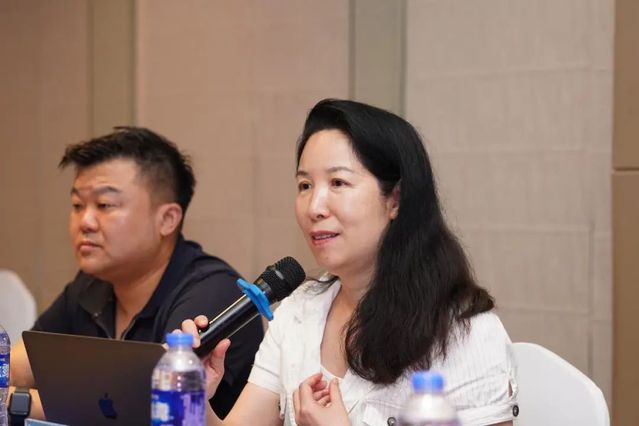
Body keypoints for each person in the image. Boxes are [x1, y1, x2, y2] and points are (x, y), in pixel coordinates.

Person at [182, 99, 518, 426]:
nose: (315, 207)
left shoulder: (465, 330)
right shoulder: (299, 312)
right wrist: (195, 397)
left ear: (395, 200)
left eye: (338, 183)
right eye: (304, 185)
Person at [8, 127, 263, 420]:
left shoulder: (213, 293)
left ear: (167, 219)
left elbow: (138, 408)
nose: (85, 221)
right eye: (77, 205)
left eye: (104, 205)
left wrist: (15, 401)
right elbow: (15, 367)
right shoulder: (90, 286)